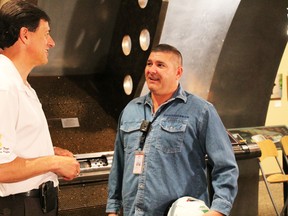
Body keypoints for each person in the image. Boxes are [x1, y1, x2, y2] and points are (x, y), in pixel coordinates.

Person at [106, 44, 239, 216]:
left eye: (160, 65)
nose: (152, 70)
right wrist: (112, 210)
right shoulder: (131, 110)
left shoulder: (201, 111)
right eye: (149, 63)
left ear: (178, 72)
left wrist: (218, 211)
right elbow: (119, 163)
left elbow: (226, 166)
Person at [0, 1, 80, 215]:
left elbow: (12, 146)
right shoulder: (4, 86)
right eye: (46, 34)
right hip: (18, 206)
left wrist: (47, 152)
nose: (52, 42)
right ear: (25, 35)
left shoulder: (20, 83)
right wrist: (52, 162)